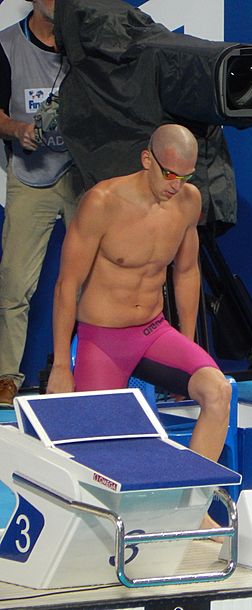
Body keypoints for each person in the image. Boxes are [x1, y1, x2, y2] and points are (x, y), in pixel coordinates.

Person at [47, 123, 231, 465]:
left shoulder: (188, 202)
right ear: (147, 159)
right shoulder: (102, 202)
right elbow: (66, 284)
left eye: (186, 177)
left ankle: (190, 500)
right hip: (103, 340)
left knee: (218, 391)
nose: (176, 186)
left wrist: (187, 341)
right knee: (98, 451)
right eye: (170, 174)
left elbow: (187, 272)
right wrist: (60, 364)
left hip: (152, 332)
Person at [0, 0, 83, 406]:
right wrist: (17, 129)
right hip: (31, 175)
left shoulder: (86, 42)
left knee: (99, 278)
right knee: (14, 281)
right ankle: (5, 377)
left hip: (82, 176)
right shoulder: (6, 45)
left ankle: (87, 369)